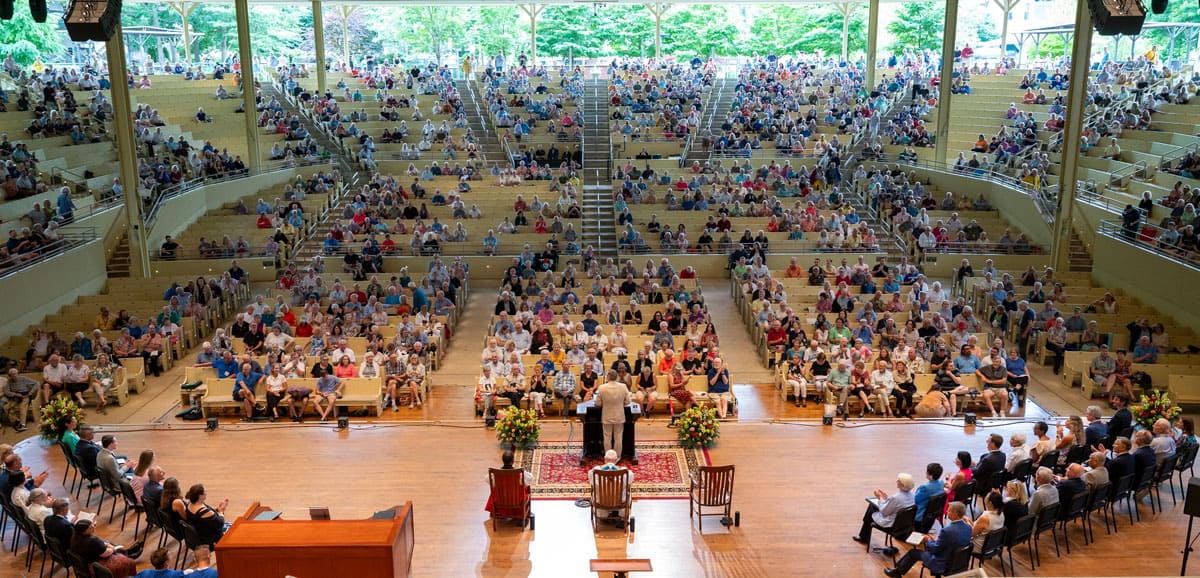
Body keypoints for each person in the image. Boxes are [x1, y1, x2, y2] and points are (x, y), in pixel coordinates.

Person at [883, 501, 972, 577]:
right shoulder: (968, 527)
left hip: (941, 562)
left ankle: (897, 572)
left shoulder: (947, 530)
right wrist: (937, 541)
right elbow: (953, 542)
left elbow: (934, 550)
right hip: (957, 562)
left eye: (949, 511)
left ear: (955, 513)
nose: (946, 512)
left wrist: (927, 540)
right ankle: (898, 568)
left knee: (913, 553)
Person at [852, 472, 916, 546]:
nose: (896, 481)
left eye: (898, 481)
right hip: (903, 524)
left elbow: (884, 512)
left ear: (902, 485)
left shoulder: (896, 498)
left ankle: (863, 536)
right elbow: (896, 506)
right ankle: (863, 535)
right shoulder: (912, 495)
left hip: (891, 524)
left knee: (871, 507)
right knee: (872, 509)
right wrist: (886, 499)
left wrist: (880, 498)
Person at [70, 518, 142, 578]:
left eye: (93, 525)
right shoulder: (92, 540)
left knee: (109, 544)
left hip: (85, 564)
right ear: (84, 531)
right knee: (130, 562)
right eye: (90, 528)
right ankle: (128, 555)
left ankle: (128, 552)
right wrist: (112, 548)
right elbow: (105, 554)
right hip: (96, 566)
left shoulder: (75, 538)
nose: (93, 528)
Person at [588, 449, 633, 526]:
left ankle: (604, 516)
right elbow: (630, 481)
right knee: (629, 491)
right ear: (616, 460)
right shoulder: (625, 472)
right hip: (620, 504)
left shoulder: (595, 471)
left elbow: (591, 482)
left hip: (601, 505)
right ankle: (622, 516)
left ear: (605, 459)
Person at [485, 449, 532, 520]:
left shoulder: (495, 473)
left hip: (500, 500)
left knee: (494, 490)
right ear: (513, 461)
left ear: (503, 460)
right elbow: (530, 479)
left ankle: (500, 513)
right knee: (526, 488)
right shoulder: (519, 473)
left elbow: (487, 479)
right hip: (517, 501)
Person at [594, 370, 631, 460]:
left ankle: (608, 457)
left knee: (607, 437)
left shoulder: (602, 388)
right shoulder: (623, 387)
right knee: (618, 437)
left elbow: (598, 403)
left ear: (608, 377)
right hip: (619, 415)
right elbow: (627, 402)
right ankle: (617, 457)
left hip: (607, 415)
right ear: (617, 377)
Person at [185, 483, 229, 548]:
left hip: (200, 533)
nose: (206, 494)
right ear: (200, 496)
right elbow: (220, 524)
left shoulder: (190, 504)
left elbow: (209, 516)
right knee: (233, 529)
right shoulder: (203, 511)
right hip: (209, 539)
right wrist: (221, 511)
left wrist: (217, 509)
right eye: (205, 492)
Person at [3, 367, 38, 431]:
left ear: (17, 374)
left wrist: (31, 392)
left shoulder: (23, 378)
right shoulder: (9, 381)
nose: (14, 376)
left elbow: (36, 383)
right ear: (10, 376)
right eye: (12, 375)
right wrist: (15, 394)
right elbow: (6, 391)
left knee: (22, 406)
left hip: (25, 396)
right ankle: (16, 420)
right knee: (6, 407)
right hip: (15, 397)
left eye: (15, 374)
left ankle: (22, 424)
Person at [914, 463, 945, 529]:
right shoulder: (941, 483)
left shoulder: (925, 487)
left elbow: (914, 500)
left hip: (920, 515)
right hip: (932, 514)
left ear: (930, 474)